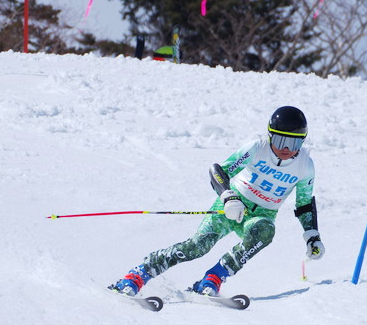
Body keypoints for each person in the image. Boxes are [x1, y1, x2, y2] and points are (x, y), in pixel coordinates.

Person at [109, 105, 325, 297]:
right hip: (232, 204)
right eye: (280, 140)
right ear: (270, 136)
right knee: (197, 247)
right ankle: (139, 273)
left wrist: (312, 235)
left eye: (293, 142)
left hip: (261, 215)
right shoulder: (257, 148)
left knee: (266, 230)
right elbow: (218, 170)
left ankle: (214, 277)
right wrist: (228, 196)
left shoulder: (305, 166)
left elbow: (304, 203)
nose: (286, 148)